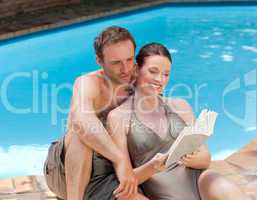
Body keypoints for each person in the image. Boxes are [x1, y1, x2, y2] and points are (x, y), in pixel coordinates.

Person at [106, 42, 250, 200]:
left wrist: (191, 159)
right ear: (136, 69)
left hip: (199, 182)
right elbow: (125, 181)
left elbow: (206, 159)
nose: (160, 79)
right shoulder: (119, 117)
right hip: (164, 194)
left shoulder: (180, 105)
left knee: (222, 185)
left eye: (166, 74)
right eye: (153, 71)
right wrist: (152, 167)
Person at [43, 26, 149, 200]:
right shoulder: (89, 83)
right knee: (82, 133)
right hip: (66, 172)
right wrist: (119, 159)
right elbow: (81, 121)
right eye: (116, 63)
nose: (125, 69)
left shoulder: (140, 78)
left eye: (129, 59)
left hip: (106, 175)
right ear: (99, 60)